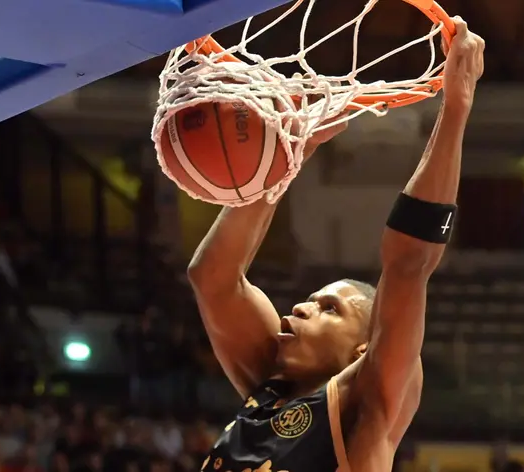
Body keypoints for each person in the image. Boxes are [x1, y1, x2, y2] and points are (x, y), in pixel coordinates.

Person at [186, 17, 484, 472]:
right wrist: (290, 154)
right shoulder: (269, 389)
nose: (300, 310)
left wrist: (455, 110)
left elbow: (408, 264)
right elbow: (213, 279)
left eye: (329, 309)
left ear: (363, 350)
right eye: (312, 302)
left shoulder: (367, 407)